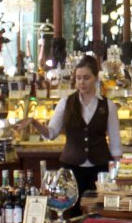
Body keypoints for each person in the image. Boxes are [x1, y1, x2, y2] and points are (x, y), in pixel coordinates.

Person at [38, 55, 120, 198]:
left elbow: (115, 143)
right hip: (71, 168)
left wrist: (117, 171)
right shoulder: (66, 103)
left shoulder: (108, 106)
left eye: (86, 78)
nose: (82, 82)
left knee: (97, 208)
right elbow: (51, 133)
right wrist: (34, 122)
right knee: (72, 209)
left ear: (96, 78)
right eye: (78, 78)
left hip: (99, 168)